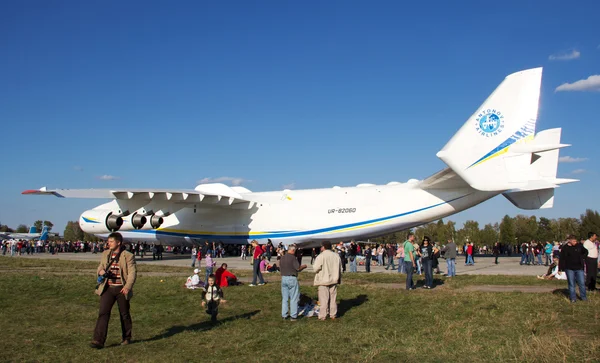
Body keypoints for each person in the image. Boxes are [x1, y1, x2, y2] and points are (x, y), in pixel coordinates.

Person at [90, 232, 137, 349]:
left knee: (124, 314)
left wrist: (127, 286)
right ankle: (98, 340)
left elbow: (132, 273)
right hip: (108, 288)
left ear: (118, 243)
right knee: (103, 313)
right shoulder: (106, 254)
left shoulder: (128, 255)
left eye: (111, 241)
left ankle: (126, 337)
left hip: (121, 288)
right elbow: (100, 266)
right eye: (108, 241)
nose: (108, 243)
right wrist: (101, 272)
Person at [313, 241, 342, 320]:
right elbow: (340, 268)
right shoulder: (336, 256)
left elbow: (315, 268)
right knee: (333, 298)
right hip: (334, 279)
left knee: (323, 299)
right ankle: (333, 314)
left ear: (323, 247)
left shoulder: (321, 256)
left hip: (323, 280)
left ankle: (323, 315)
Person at [280, 244, 307, 320]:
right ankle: (293, 315)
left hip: (283, 278)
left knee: (284, 298)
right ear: (292, 250)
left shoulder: (282, 258)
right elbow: (298, 268)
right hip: (292, 278)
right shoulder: (293, 258)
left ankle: (284, 315)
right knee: (294, 298)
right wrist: (304, 266)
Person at [559, 235, 588, 303]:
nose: (575, 242)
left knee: (581, 283)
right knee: (571, 284)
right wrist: (560, 268)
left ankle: (583, 297)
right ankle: (573, 298)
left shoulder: (579, 246)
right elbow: (562, 258)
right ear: (569, 241)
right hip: (569, 268)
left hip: (579, 268)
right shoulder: (565, 248)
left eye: (576, 241)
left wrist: (583, 257)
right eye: (574, 241)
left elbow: (586, 251)